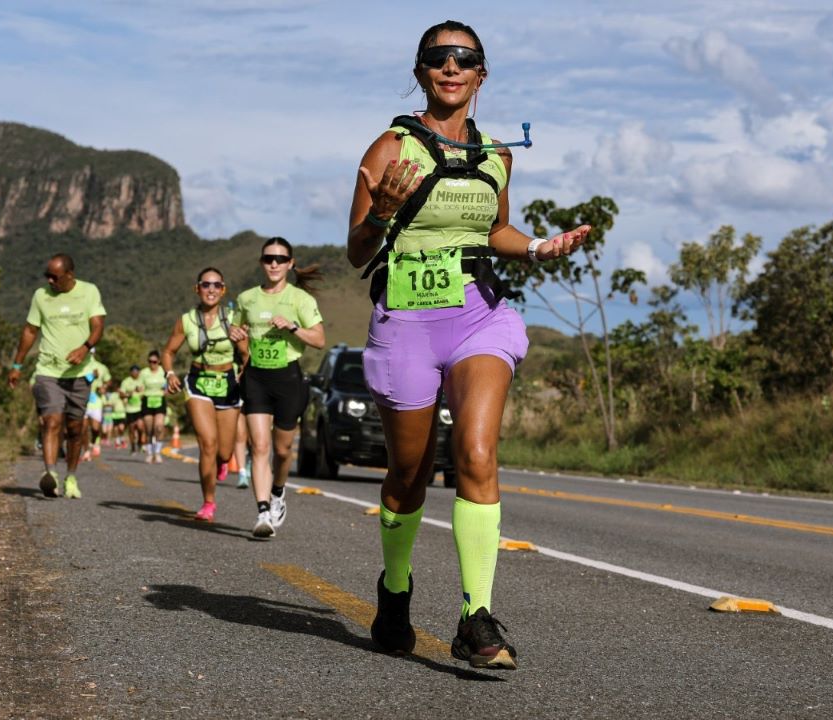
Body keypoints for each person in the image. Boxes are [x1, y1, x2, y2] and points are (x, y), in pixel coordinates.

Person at [346, 21, 591, 669]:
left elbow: (499, 228)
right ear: (421, 70)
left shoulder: (497, 156)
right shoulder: (388, 149)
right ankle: (395, 592)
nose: (451, 67)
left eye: (465, 59)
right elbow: (356, 252)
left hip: (479, 313)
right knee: (408, 472)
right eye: (437, 58)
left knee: (476, 453)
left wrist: (540, 247)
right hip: (405, 320)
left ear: (482, 74)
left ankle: (474, 617)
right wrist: (379, 214)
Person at [234, 237, 326, 538]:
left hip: (288, 378)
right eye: (268, 258)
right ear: (262, 262)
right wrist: (238, 338)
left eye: (280, 258)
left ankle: (278, 493)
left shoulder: (300, 299)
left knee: (282, 450)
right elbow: (242, 338)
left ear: (290, 263)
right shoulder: (247, 298)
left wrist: (293, 327)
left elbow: (320, 340)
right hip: (256, 378)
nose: (273, 263)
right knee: (258, 447)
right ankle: (263, 513)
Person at [8, 253, 107, 500]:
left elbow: (98, 326)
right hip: (48, 372)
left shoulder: (89, 292)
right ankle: (50, 475)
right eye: (47, 276)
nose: (50, 281)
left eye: (55, 277)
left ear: (70, 275)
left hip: (79, 374)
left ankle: (71, 477)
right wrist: (17, 365)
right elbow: (30, 331)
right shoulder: (41, 296)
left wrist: (84, 348)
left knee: (75, 429)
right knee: (51, 422)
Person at [160, 267, 247, 522]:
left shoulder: (233, 317)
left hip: (228, 384)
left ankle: (222, 462)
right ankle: (208, 502)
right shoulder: (186, 320)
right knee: (207, 444)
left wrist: (245, 367)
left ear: (223, 290)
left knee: (224, 452)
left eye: (216, 285)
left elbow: (247, 354)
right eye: (206, 285)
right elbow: (168, 352)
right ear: (197, 289)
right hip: (198, 382)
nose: (211, 290)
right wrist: (169, 374)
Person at [137, 350, 170, 463]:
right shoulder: (144, 372)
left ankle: (157, 452)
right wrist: (139, 389)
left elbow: (168, 383)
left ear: (159, 361)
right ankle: (150, 453)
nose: (152, 364)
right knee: (149, 429)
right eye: (150, 361)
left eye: (155, 362)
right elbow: (140, 385)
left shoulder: (163, 371)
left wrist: (167, 389)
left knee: (159, 427)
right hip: (147, 400)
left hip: (159, 400)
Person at [120, 364, 145, 453]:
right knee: (131, 428)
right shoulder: (126, 381)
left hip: (140, 408)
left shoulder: (142, 380)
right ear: (130, 373)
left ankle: (140, 442)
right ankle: (133, 447)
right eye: (133, 372)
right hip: (130, 409)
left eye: (137, 372)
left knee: (140, 427)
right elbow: (121, 394)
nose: (135, 373)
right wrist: (129, 394)